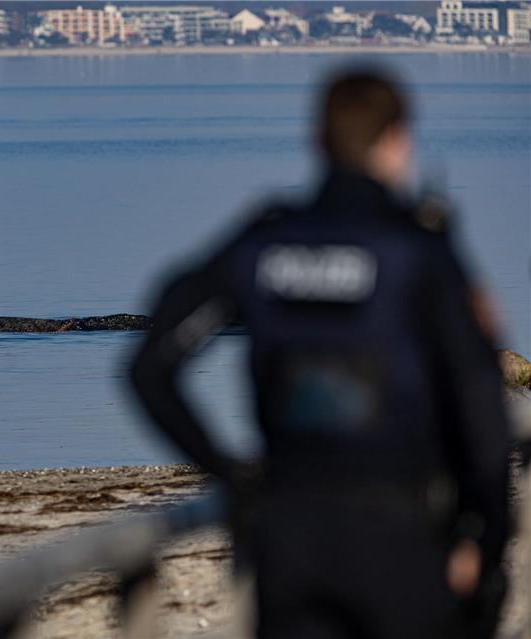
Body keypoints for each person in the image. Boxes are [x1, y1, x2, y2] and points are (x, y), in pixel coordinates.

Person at [129, 68, 513, 639]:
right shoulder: (416, 251)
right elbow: (480, 404)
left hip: (290, 536)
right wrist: (488, 534)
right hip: (402, 533)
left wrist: (230, 473)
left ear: (318, 142)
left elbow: (150, 369)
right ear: (398, 140)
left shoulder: (264, 243)